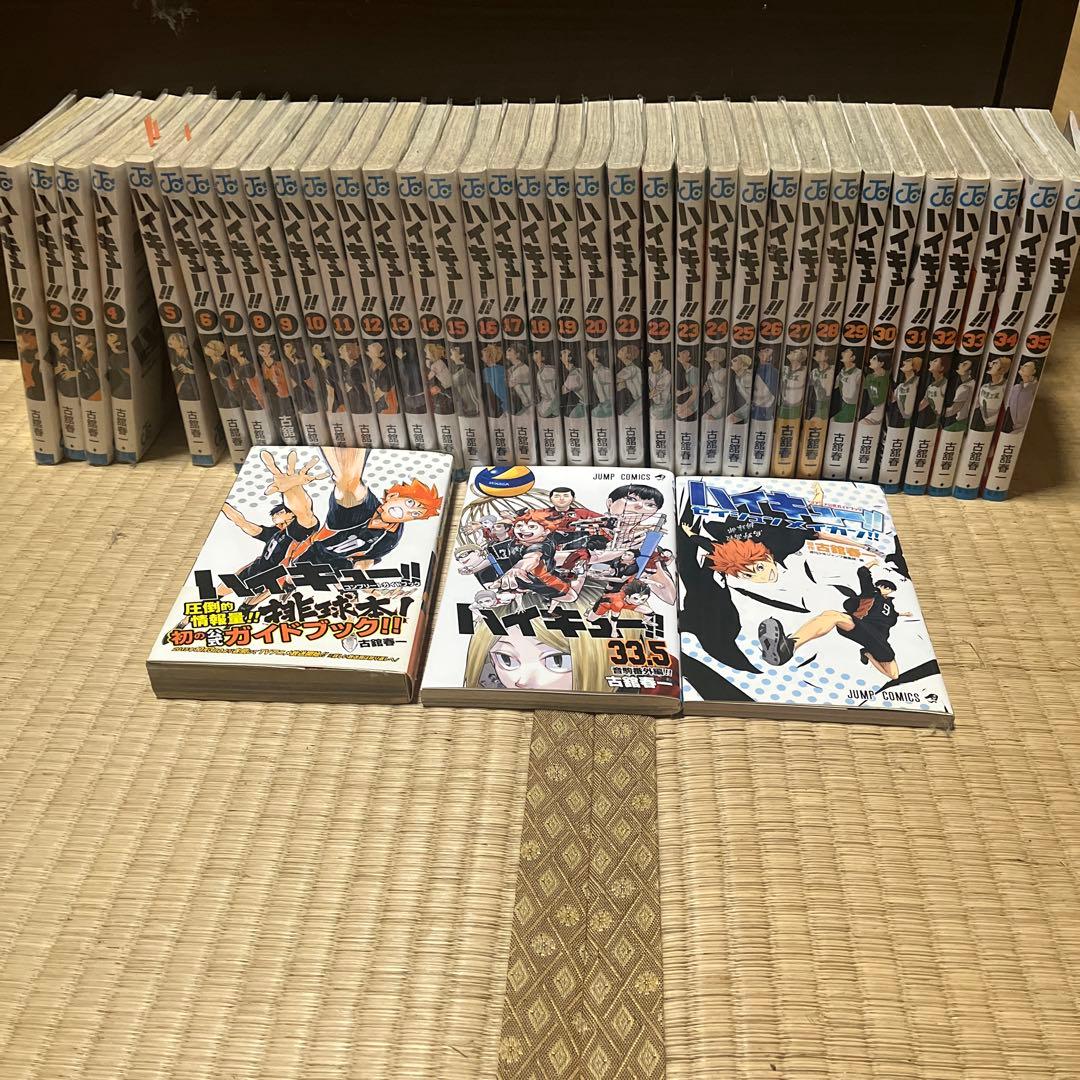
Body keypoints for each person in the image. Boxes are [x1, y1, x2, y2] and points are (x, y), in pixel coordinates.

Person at [280, 447, 442, 571]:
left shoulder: (390, 538)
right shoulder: (364, 507)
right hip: (309, 554)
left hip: (333, 566)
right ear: (393, 496)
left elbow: (368, 560)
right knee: (347, 481)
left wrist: (360, 576)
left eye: (415, 514)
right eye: (410, 503)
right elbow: (349, 483)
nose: (408, 512)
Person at [757, 562, 910, 680]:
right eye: (883, 586)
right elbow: (862, 572)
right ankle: (788, 647)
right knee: (832, 615)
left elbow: (892, 615)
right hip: (863, 626)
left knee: (894, 675)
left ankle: (867, 653)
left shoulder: (890, 607)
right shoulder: (871, 593)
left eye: (888, 588)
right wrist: (872, 562)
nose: (885, 589)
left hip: (880, 640)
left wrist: (903, 614)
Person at [970, 354, 1010, 432]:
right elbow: (977, 405)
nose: (990, 364)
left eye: (995, 363)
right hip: (982, 424)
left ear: (1002, 370)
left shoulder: (1006, 386)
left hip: (996, 426)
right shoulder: (984, 387)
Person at [1002, 359, 1040, 433]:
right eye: (1022, 365)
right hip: (1013, 429)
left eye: (1026, 366)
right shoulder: (1015, 388)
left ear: (1034, 371)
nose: (1021, 366)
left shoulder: (1036, 388)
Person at [885, 355, 922, 429]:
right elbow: (893, 400)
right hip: (896, 420)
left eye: (908, 361)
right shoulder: (900, 385)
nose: (903, 362)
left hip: (907, 422)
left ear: (913, 366)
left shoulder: (917, 381)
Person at [942, 358, 975, 432]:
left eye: (965, 365)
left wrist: (939, 413)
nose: (961, 364)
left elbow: (954, 409)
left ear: (969, 372)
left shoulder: (964, 387)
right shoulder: (973, 383)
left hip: (961, 422)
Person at [831, 348, 861, 423]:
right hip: (842, 405)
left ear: (852, 358)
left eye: (846, 352)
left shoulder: (858, 373)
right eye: (843, 352)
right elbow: (834, 387)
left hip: (852, 407)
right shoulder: (841, 372)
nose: (842, 353)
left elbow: (852, 396)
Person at [859, 353, 890, 426]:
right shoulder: (869, 377)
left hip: (884, 409)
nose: (870, 360)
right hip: (875, 410)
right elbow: (866, 396)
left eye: (874, 359)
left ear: (881, 363)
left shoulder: (887, 377)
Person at [778, 347, 808, 420]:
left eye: (794, 352)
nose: (791, 351)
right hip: (782, 405)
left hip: (795, 408)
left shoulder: (804, 371)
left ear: (800, 357)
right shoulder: (784, 369)